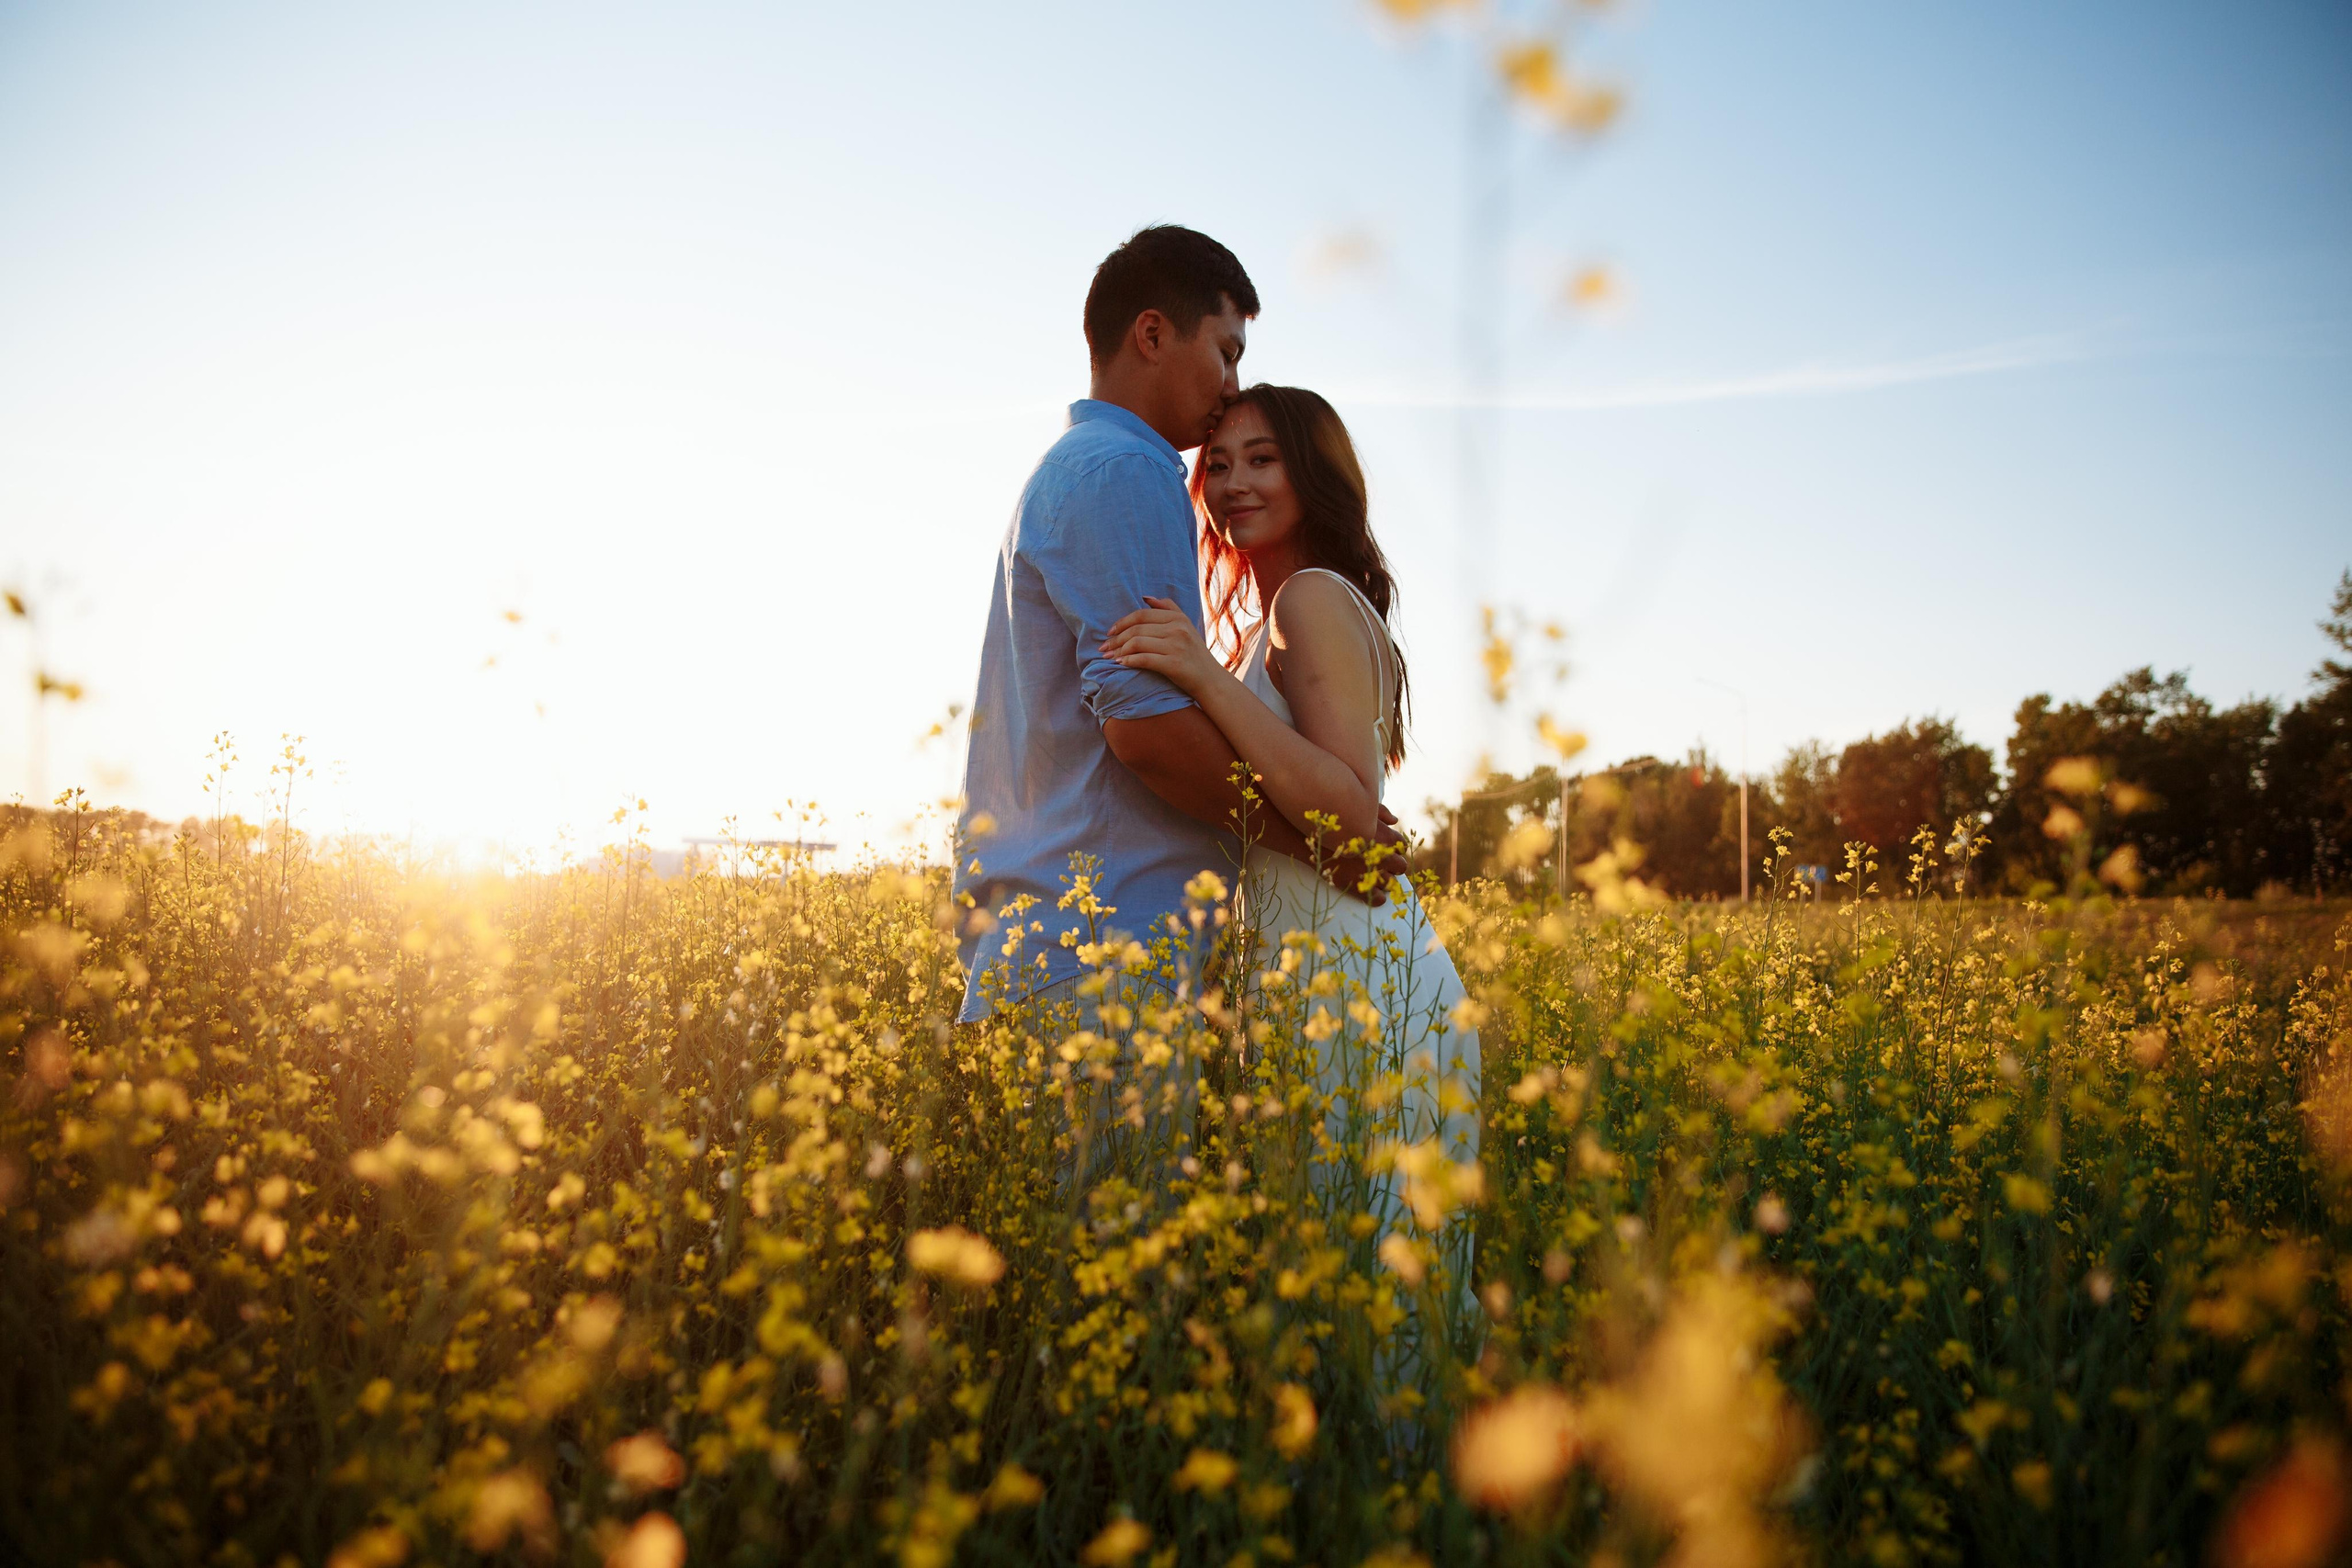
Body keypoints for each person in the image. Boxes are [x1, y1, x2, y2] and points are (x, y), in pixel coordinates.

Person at [1100, 385, 1484, 1412]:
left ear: (1312, 477)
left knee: (1384, 1308)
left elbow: (1349, 816)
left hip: (1366, 980)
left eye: (1260, 460)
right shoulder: (1285, 609)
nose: (1230, 484)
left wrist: (1199, 674)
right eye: (1217, 464)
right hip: (1320, 970)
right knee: (1334, 1293)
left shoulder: (1308, 597)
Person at [954, 228, 1399, 1027]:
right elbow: (1149, 733)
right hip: (1099, 947)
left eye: (1261, 460)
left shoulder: (1079, 466)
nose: (1231, 383)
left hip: (1078, 943)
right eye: (1225, 352)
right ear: (1153, 334)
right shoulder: (1126, 470)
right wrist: (1318, 844)